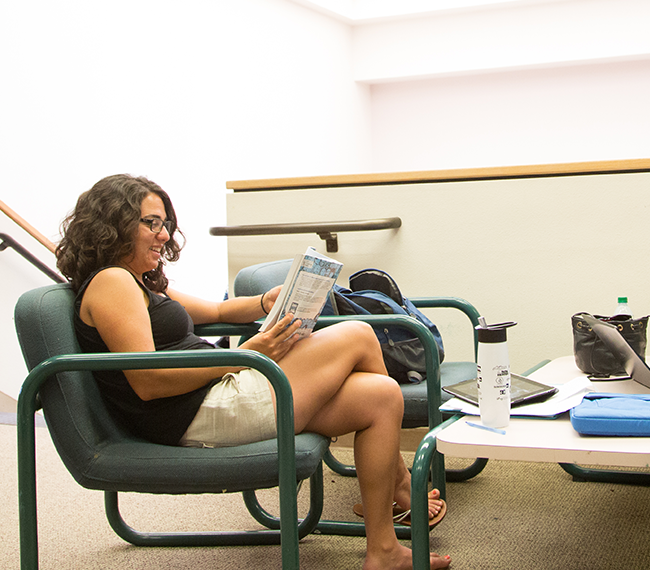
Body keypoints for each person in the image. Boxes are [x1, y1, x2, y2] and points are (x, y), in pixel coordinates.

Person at [55, 174, 450, 570]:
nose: (164, 236)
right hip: (198, 413)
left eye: (166, 225)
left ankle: (382, 550)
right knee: (360, 335)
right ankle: (400, 484)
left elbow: (217, 311)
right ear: (114, 225)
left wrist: (266, 301)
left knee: (381, 394)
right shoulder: (112, 283)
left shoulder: (138, 283)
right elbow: (148, 381)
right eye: (152, 223)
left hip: (216, 391)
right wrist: (247, 354)